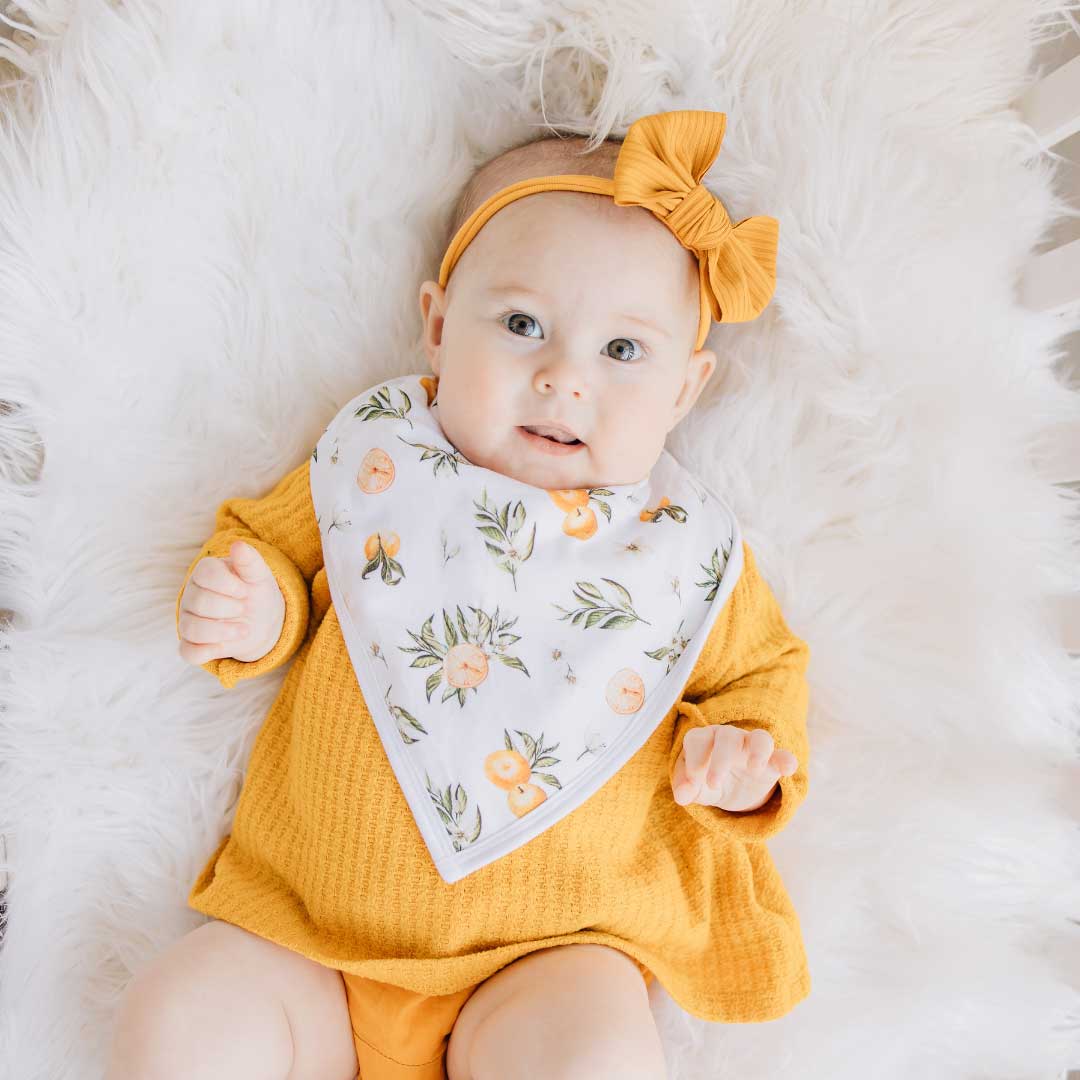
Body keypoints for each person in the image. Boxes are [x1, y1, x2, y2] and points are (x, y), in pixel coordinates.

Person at [106, 109, 811, 1080]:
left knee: (596, 1061)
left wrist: (745, 761)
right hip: (307, 942)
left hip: (544, 962)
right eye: (523, 325)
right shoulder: (377, 465)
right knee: (182, 1017)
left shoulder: (682, 556)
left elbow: (763, 676)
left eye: (623, 352)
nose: (564, 378)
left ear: (686, 391)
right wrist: (260, 606)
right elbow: (272, 545)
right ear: (437, 326)